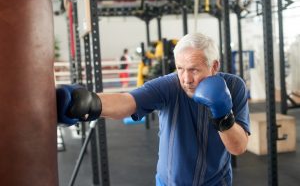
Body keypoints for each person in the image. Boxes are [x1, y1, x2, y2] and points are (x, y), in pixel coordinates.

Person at [56, 32, 250, 185]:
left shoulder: (234, 87)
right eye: (180, 68)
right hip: (168, 183)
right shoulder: (170, 85)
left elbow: (238, 147)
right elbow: (128, 101)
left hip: (216, 183)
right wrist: (88, 102)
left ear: (214, 66)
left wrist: (223, 114)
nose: (186, 79)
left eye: (194, 70)